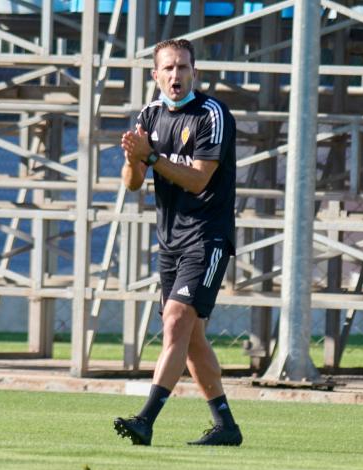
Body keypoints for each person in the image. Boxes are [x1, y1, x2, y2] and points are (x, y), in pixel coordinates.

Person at [114, 38, 242, 447]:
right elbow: (133, 184)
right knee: (190, 338)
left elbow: (199, 178)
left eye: (183, 67)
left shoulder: (212, 115)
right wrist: (134, 158)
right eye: (168, 68)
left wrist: (151, 157)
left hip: (208, 236)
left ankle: (146, 419)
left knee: (174, 322)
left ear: (194, 72)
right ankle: (226, 426)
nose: (176, 75)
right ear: (155, 75)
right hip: (170, 239)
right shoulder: (149, 114)